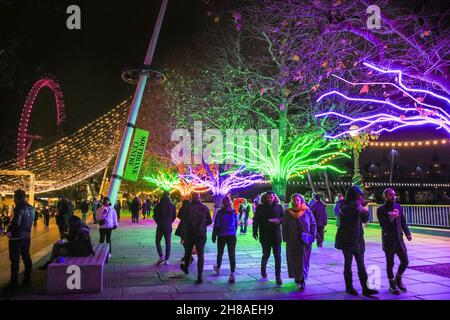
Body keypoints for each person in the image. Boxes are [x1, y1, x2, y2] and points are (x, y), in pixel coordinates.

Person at [335, 186, 379, 297]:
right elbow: (343, 211)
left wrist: (364, 212)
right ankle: (349, 287)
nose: (360, 198)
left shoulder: (358, 206)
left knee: (361, 265)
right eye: (358, 196)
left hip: (358, 239)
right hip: (346, 239)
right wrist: (357, 206)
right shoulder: (343, 204)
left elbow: (364, 220)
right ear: (353, 196)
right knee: (348, 264)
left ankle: (365, 288)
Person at [377, 188, 412, 295]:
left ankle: (398, 278)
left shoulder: (398, 206)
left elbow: (402, 221)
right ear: (385, 197)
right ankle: (392, 284)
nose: (394, 197)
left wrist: (407, 233)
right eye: (391, 195)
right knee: (390, 263)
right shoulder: (381, 209)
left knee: (405, 261)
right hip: (388, 240)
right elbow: (383, 224)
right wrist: (391, 217)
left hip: (399, 239)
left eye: (394, 195)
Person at [3, 190, 35, 294]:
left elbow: (16, 223)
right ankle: (27, 280)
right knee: (26, 257)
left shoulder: (19, 208)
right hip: (26, 237)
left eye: (15, 197)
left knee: (15, 261)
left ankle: (14, 284)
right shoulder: (31, 208)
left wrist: (8, 230)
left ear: (17, 198)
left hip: (16, 238)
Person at [282, 193, 316, 290]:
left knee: (304, 260)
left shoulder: (307, 211)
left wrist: (312, 236)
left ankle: (302, 279)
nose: (295, 202)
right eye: (294, 200)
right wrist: (286, 237)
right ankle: (297, 276)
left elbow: (313, 223)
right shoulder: (288, 212)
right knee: (293, 260)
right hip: (292, 240)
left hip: (305, 240)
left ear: (301, 201)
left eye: (297, 200)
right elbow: (284, 226)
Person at [253, 191, 284, 285]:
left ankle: (278, 276)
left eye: (271, 197)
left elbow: (283, 218)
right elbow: (256, 219)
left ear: (274, 197)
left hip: (276, 234)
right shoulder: (260, 207)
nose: (269, 199)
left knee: (277, 256)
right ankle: (263, 270)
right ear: (264, 198)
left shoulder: (279, 207)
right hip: (265, 234)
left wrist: (278, 220)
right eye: (267, 197)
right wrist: (255, 231)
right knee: (266, 254)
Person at [180, 193, 212, 284]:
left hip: (190, 234)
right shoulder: (204, 208)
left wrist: (183, 236)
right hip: (201, 234)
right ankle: (199, 275)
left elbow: (184, 223)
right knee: (200, 254)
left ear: (192, 198)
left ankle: (186, 267)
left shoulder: (188, 208)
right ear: (199, 197)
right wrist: (203, 225)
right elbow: (209, 221)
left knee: (188, 251)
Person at [212, 196, 238, 283]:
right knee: (232, 254)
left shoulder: (220, 212)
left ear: (223, 203)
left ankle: (218, 268)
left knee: (220, 252)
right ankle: (232, 273)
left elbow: (217, 225)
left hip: (222, 235)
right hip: (232, 235)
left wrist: (214, 235)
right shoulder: (234, 212)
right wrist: (233, 231)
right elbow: (236, 224)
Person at [154, 191, 177, 265]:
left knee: (157, 241)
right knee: (168, 242)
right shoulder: (172, 205)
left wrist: (158, 222)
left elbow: (155, 216)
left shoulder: (158, 205)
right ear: (169, 196)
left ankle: (161, 256)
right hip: (168, 226)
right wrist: (170, 222)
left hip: (160, 225)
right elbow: (174, 216)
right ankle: (166, 259)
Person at [175, 199, 194, 265]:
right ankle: (187, 256)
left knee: (185, 243)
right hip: (190, 228)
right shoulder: (191, 208)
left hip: (183, 227)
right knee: (187, 243)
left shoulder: (182, 208)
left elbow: (178, 216)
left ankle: (189, 257)